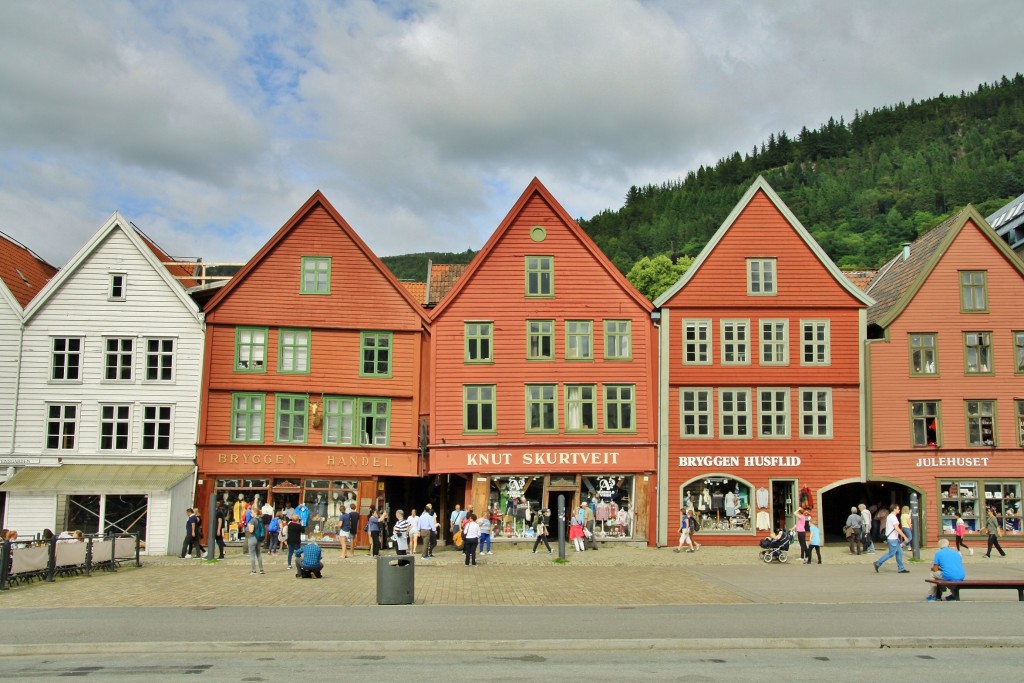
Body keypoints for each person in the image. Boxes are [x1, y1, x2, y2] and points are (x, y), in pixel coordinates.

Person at [873, 503, 909, 573]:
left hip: (894, 538)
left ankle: (901, 568)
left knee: (900, 552)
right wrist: (905, 536)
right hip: (893, 539)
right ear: (894, 509)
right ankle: (878, 563)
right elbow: (896, 528)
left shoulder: (889, 516)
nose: (899, 510)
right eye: (898, 508)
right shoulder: (893, 517)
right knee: (891, 553)